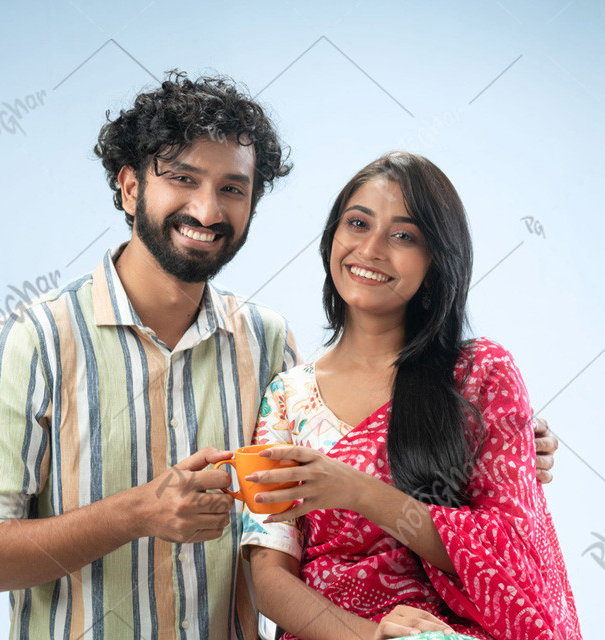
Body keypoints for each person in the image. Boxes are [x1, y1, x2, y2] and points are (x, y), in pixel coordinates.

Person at [0, 73, 560, 639]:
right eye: (182, 178)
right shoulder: (36, 341)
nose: (208, 211)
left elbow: (362, 437)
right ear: (130, 187)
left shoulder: (265, 346)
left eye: (232, 189)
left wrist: (500, 431)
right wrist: (138, 512)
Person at [242, 152, 580, 640]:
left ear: (435, 262)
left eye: (403, 235)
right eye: (357, 223)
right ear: (331, 239)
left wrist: (356, 490)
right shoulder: (287, 397)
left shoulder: (478, 375)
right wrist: (371, 635)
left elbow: (511, 560)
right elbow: (270, 580)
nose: (372, 248)